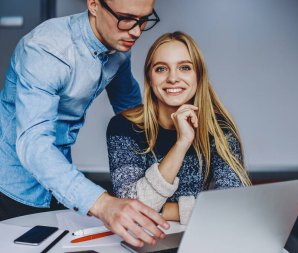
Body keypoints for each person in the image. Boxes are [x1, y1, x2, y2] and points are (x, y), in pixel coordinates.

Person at [0, 0, 170, 247]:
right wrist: (102, 203)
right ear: (93, 4)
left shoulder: (119, 46)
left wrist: (173, 144)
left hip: (60, 177)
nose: (135, 31)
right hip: (11, 184)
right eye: (125, 18)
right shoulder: (46, 49)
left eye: (144, 20)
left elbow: (130, 108)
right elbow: (34, 145)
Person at [107, 31, 252, 225]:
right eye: (161, 69)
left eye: (184, 67)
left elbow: (233, 207)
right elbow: (133, 206)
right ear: (150, 78)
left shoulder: (219, 130)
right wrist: (182, 143)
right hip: (145, 240)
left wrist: (167, 210)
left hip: (202, 240)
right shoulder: (123, 127)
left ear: (199, 76)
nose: (173, 78)